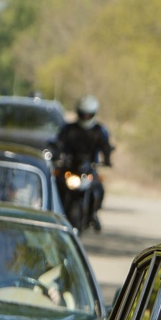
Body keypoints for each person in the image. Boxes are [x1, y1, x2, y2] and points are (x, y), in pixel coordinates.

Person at [54, 95, 113, 231]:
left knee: (99, 188)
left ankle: (94, 213)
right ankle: (56, 211)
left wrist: (107, 159)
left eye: (88, 114)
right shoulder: (68, 129)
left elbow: (106, 147)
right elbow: (58, 143)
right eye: (83, 114)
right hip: (70, 166)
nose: (86, 117)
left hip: (89, 167)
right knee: (57, 183)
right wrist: (56, 154)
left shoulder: (99, 130)